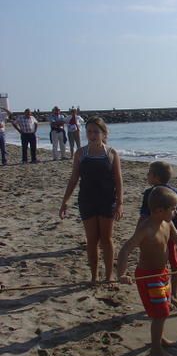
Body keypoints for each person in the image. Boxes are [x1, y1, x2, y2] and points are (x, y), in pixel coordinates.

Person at [118, 186, 177, 356]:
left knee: (163, 310)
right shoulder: (146, 228)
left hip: (162, 273)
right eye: (172, 209)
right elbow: (125, 250)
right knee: (160, 313)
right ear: (159, 210)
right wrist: (122, 273)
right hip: (148, 276)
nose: (175, 212)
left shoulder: (168, 224)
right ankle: (155, 350)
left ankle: (158, 338)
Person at [59, 116, 124, 285]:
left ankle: (109, 275)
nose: (92, 135)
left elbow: (118, 180)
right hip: (87, 201)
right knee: (92, 239)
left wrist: (120, 203)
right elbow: (74, 179)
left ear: (103, 133)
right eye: (89, 131)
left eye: (96, 131)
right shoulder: (81, 153)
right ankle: (94, 276)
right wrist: (65, 200)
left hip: (107, 200)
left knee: (107, 239)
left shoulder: (111, 153)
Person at [138, 161, 177, 315]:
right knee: (175, 267)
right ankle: (173, 295)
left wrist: (139, 235)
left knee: (157, 265)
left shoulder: (151, 194)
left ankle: (168, 296)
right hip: (174, 235)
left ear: (155, 177)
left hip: (156, 235)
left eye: (149, 173)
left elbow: (143, 216)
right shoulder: (176, 193)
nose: (147, 176)